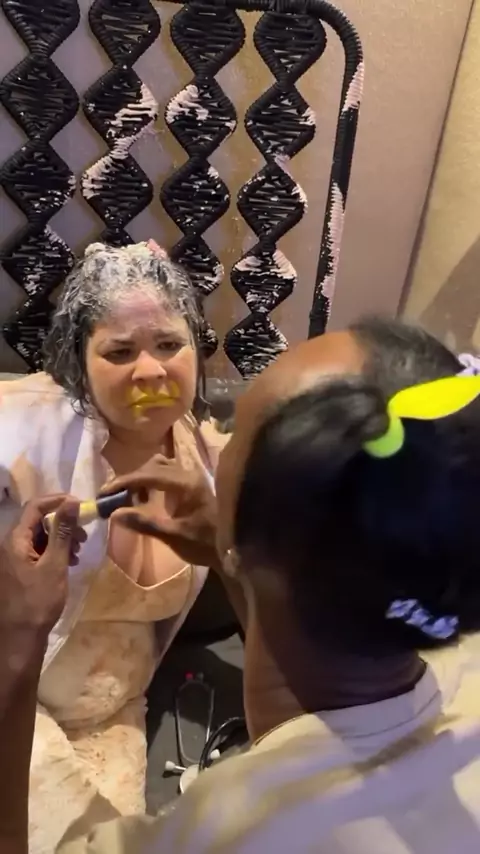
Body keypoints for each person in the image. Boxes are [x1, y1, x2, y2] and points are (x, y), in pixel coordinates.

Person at [4, 316, 480, 853]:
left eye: (235, 435)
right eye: (119, 351)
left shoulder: (223, 832)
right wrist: (237, 559)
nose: (150, 371)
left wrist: (15, 649)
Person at [0, 240, 228, 854]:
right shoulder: (22, 429)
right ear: (80, 362)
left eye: (169, 344)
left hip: (115, 717)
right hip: (13, 690)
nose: (150, 371)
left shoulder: (212, 462)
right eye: (120, 351)